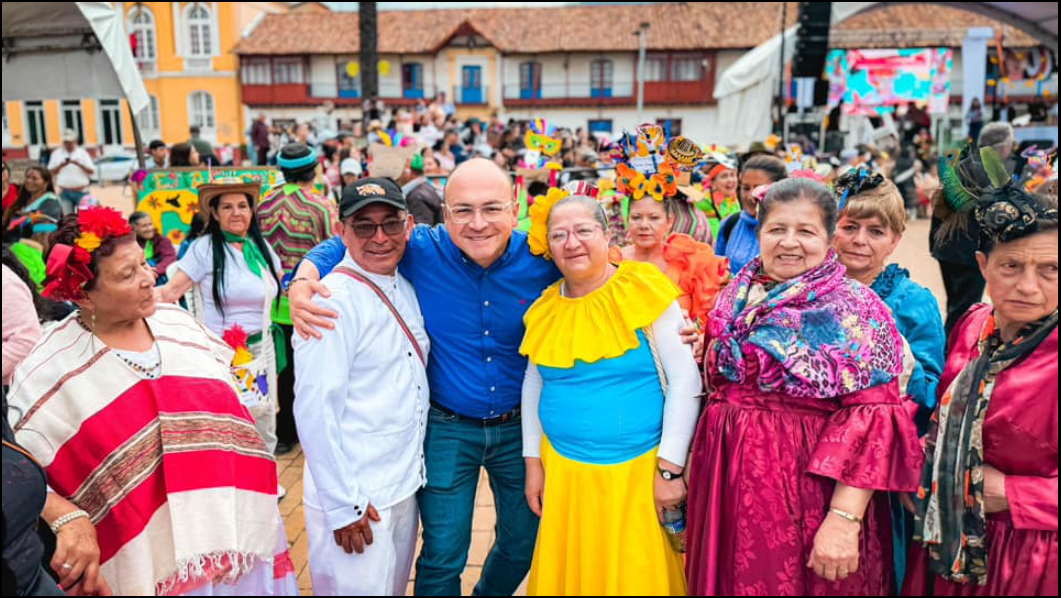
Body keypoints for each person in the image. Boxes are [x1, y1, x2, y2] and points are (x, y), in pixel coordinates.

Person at [290, 159, 560, 595]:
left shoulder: (543, 258)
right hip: (448, 429)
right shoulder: (420, 248)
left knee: (522, 541)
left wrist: (669, 324)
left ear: (515, 208)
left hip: (520, 432)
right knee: (442, 553)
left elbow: (599, 273)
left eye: (491, 209)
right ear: (443, 213)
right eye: (463, 210)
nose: (477, 224)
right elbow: (340, 244)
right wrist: (302, 279)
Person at [7, 207, 296, 595]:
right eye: (128, 274)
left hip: (235, 535)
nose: (148, 279)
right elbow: (28, 473)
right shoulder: (47, 370)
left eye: (144, 264)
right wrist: (62, 515)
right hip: (151, 564)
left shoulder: (179, 325)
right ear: (83, 295)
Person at [685, 178, 923, 595]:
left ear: (829, 238)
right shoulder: (736, 295)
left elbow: (873, 421)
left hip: (806, 494)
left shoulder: (855, 308)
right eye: (777, 229)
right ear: (758, 233)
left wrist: (844, 520)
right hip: (727, 483)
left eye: (806, 231)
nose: (789, 243)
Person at [519, 194, 701, 594]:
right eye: (559, 235)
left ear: (605, 235)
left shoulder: (642, 291)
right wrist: (533, 461)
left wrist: (669, 469)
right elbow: (534, 383)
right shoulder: (545, 308)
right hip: (565, 474)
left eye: (583, 231)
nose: (572, 243)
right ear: (547, 245)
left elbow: (686, 380)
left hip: (637, 474)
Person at [904, 186, 1057, 596]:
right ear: (982, 265)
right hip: (951, 541)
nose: (1028, 286)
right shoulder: (973, 325)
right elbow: (946, 417)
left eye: (1051, 269)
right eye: (1010, 266)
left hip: (1034, 560)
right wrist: (923, 468)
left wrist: (1009, 492)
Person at [293, 178, 429, 595]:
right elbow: (315, 409)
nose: (380, 237)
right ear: (342, 231)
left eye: (390, 224)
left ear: (409, 226)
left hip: (401, 482)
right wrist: (342, 505)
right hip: (358, 496)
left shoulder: (405, 284)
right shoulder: (329, 299)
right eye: (364, 226)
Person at [833, 168, 946, 590]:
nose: (860, 239)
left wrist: (900, 375)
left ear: (895, 239)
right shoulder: (808, 291)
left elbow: (935, 381)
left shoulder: (912, 301)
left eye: (876, 231)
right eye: (850, 227)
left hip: (879, 465)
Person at [157, 180, 285, 466]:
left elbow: (284, 287)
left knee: (264, 418)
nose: (236, 213)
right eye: (227, 207)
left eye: (242, 206)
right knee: (232, 419)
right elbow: (170, 292)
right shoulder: (204, 249)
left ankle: (265, 480)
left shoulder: (260, 247)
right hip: (224, 354)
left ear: (251, 212)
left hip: (262, 349)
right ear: (214, 214)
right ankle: (236, 483)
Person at [258, 143, 339, 456]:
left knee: (282, 372)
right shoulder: (320, 206)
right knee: (311, 373)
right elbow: (335, 252)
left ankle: (283, 434)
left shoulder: (263, 204)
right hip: (309, 302)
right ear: (315, 167)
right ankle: (312, 433)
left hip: (271, 303)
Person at [930, 125, 1015, 335]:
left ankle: (949, 350)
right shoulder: (992, 171)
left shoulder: (963, 165)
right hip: (968, 252)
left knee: (956, 305)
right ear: (1002, 146)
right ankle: (952, 356)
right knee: (965, 310)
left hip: (946, 247)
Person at [608, 190, 730, 331]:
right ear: (627, 219)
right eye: (636, 217)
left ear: (669, 221)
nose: (644, 225)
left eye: (654, 218)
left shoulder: (688, 261)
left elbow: (709, 321)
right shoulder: (613, 263)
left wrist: (698, 338)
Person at [715, 154, 787, 274]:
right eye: (745, 188)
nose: (750, 196)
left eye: (758, 189)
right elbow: (717, 272)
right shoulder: (730, 224)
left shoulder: (791, 232)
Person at [3, 166, 62, 252]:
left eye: (35, 178)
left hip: (33, 250)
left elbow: (42, 228)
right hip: (12, 246)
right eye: (27, 177)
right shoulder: (23, 200)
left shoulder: (50, 202)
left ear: (46, 182)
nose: (29, 181)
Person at [47, 129, 95, 215]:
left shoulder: (83, 153)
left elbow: (91, 171)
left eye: (70, 142)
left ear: (75, 141)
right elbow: (49, 173)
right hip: (65, 192)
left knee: (85, 217)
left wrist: (78, 164)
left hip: (82, 191)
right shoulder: (56, 154)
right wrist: (61, 165)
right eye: (66, 142)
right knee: (67, 219)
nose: (68, 144)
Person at [128, 211, 177, 285]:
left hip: (157, 277)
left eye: (150, 224)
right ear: (134, 228)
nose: (149, 228)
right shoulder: (129, 244)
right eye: (144, 226)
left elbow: (169, 258)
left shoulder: (162, 241)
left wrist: (153, 271)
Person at [398, 152, 443, 226]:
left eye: (401, 169)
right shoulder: (423, 188)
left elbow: (422, 232)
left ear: (409, 171)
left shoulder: (417, 196)